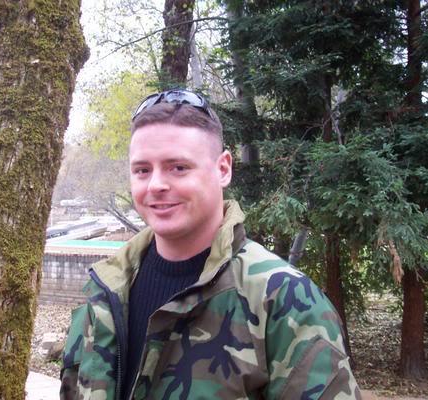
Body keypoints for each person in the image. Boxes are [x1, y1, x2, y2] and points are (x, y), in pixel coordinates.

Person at [60, 89, 361, 400]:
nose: (156, 184)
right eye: (142, 170)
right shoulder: (107, 290)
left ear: (223, 169)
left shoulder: (285, 301)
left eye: (178, 167)